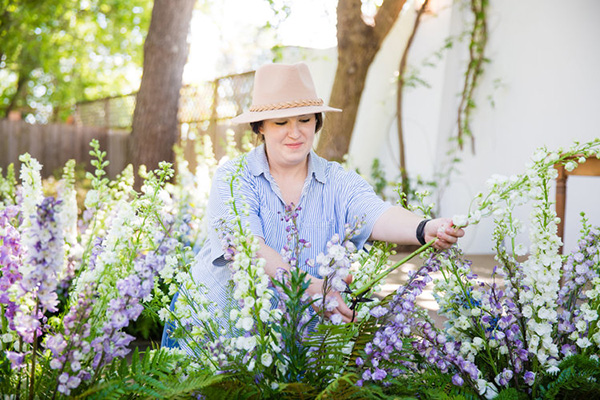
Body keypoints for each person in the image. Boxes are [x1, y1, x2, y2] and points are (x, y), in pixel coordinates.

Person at [162, 62, 464, 347]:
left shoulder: (336, 180)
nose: (296, 133)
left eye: (305, 120)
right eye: (281, 122)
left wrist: (424, 228)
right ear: (260, 127)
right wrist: (312, 289)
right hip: (216, 333)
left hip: (293, 340)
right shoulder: (234, 177)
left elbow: (375, 213)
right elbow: (248, 248)